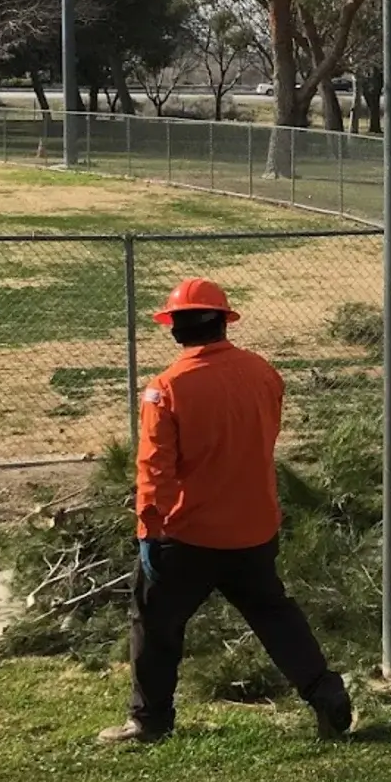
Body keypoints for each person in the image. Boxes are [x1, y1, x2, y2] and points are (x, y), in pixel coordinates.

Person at [100, 278, 352, 744]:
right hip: (254, 528)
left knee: (154, 623)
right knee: (274, 614)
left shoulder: (166, 389)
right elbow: (265, 438)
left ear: (175, 328)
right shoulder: (263, 373)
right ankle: (325, 691)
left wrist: (148, 531)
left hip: (187, 535)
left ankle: (149, 721)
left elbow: (155, 470)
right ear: (223, 321)